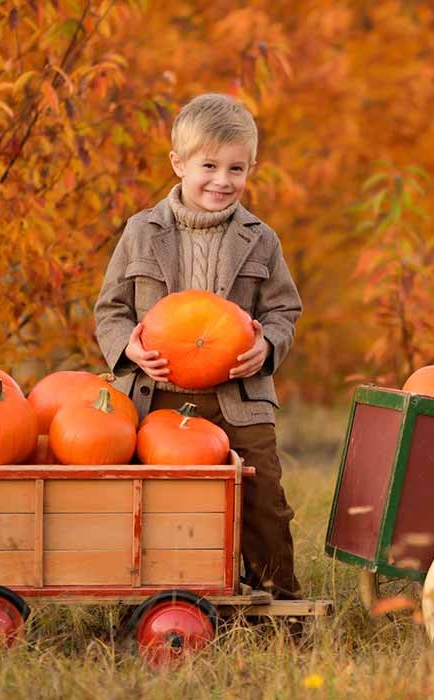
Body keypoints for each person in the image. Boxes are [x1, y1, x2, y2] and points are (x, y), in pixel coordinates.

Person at [94, 93, 302, 600]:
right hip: (159, 391)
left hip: (238, 393)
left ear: (251, 167)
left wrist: (267, 345)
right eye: (208, 165)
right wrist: (129, 349)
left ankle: (278, 596)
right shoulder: (142, 233)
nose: (221, 180)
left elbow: (283, 310)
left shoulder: (261, 239)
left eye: (236, 168)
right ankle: (160, 594)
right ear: (179, 163)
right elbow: (111, 309)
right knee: (160, 497)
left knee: (263, 496)